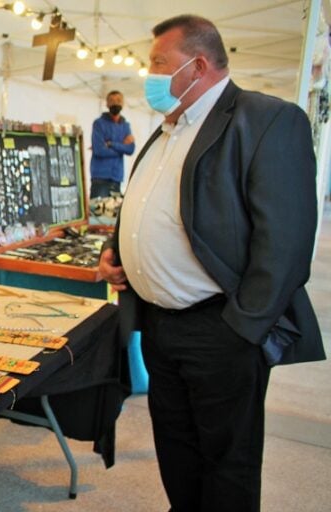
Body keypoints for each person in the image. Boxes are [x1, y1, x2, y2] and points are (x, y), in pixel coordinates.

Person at [98, 14, 325, 512]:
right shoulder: (167, 130)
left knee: (227, 461)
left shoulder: (265, 120)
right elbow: (146, 205)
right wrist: (119, 252)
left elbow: (286, 242)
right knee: (176, 448)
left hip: (220, 328)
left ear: (198, 65)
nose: (150, 74)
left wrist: (242, 328)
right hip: (161, 327)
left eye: (159, 62)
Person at [89, 90, 135, 199]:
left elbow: (130, 149)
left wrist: (111, 144)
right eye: (112, 101)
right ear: (107, 104)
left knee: (114, 208)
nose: (115, 103)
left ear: (123, 103)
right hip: (100, 177)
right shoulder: (99, 123)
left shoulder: (125, 125)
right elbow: (99, 150)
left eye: (118, 100)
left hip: (117, 177)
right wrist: (121, 147)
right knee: (97, 208)